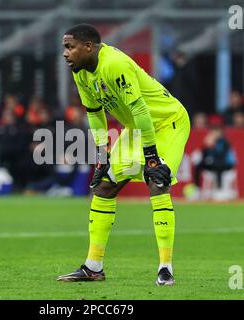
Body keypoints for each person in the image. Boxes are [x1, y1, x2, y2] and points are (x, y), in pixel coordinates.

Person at [56, 24, 190, 286]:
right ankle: (93, 267)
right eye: (64, 48)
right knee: (103, 186)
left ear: (88, 47)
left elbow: (140, 110)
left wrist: (151, 156)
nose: (65, 53)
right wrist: (102, 153)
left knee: (157, 181)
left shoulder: (114, 64)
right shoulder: (81, 72)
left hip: (167, 122)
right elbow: (95, 113)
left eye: (70, 47)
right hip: (136, 128)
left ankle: (166, 268)